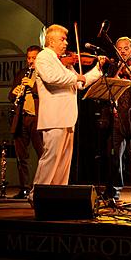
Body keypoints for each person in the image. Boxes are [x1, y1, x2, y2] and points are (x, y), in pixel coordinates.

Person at [32, 24, 104, 189]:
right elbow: (52, 78)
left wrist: (97, 69)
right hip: (54, 118)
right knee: (50, 159)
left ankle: (57, 194)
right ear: (50, 41)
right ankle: (37, 193)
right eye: (62, 39)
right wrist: (76, 77)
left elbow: (80, 84)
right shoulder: (44, 57)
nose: (66, 43)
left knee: (63, 163)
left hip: (67, 117)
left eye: (66, 40)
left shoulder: (63, 62)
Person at [102, 37, 131, 202]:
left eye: (126, 48)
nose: (122, 51)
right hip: (117, 119)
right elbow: (106, 88)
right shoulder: (113, 68)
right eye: (119, 48)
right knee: (115, 158)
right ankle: (114, 191)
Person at [8, 45, 44, 199]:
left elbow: (47, 95)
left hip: (37, 117)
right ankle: (24, 187)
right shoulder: (22, 73)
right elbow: (11, 96)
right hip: (21, 117)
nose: (31, 61)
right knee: (21, 156)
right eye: (29, 58)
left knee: (42, 154)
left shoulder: (44, 75)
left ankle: (43, 188)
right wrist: (14, 92)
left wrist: (33, 86)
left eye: (34, 58)